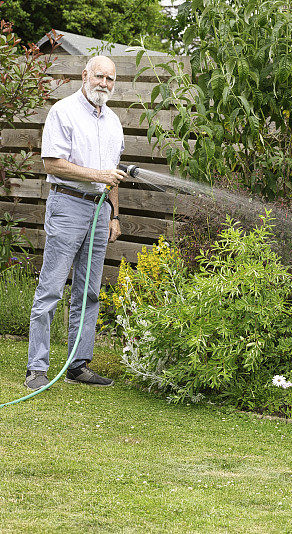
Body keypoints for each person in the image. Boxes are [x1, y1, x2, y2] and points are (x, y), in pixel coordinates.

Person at [25, 55, 128, 391]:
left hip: (99, 210)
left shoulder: (113, 121)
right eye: (99, 76)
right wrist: (98, 175)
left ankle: (78, 365)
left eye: (110, 79)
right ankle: (37, 369)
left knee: (89, 292)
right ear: (85, 75)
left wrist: (114, 214)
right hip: (68, 204)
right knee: (51, 288)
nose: (104, 84)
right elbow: (53, 164)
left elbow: (113, 176)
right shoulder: (63, 111)